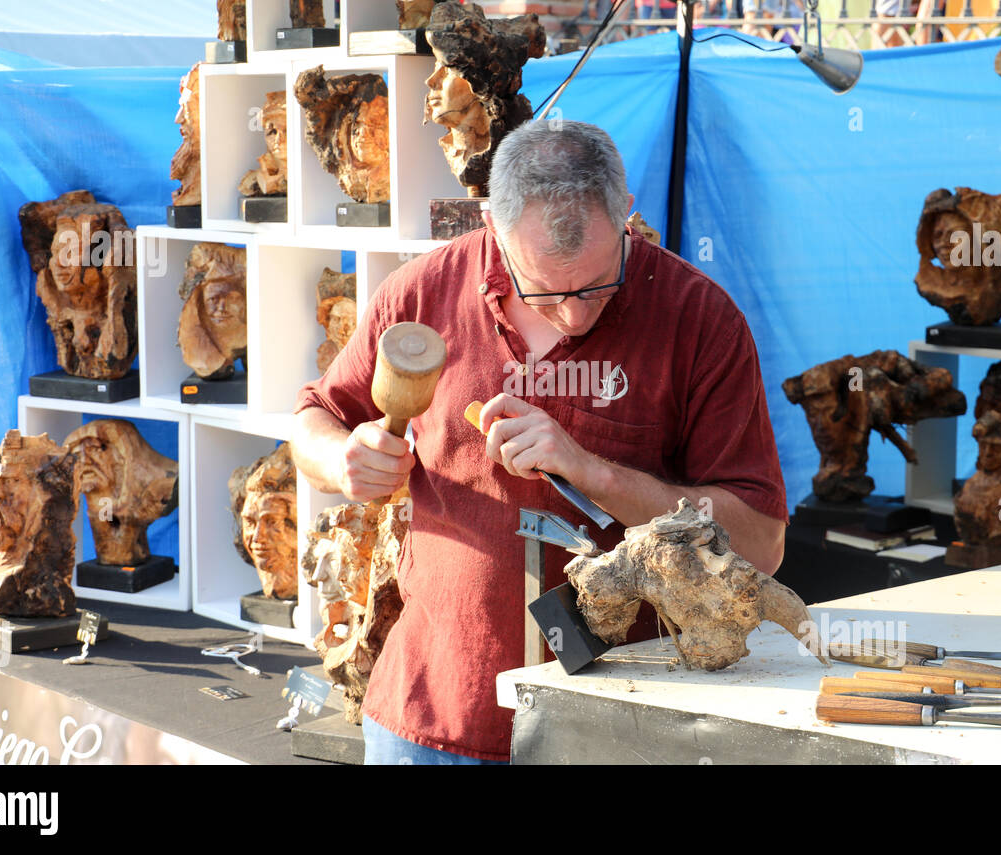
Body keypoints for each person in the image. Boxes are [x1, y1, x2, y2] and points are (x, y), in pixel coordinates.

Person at [293, 121, 789, 764]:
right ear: (492, 229)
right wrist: (342, 458)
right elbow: (313, 417)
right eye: (545, 289)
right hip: (433, 713)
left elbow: (760, 543)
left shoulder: (700, 321)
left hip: (623, 725)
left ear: (627, 214)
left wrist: (593, 472)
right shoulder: (422, 294)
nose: (575, 313)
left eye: (596, 284)